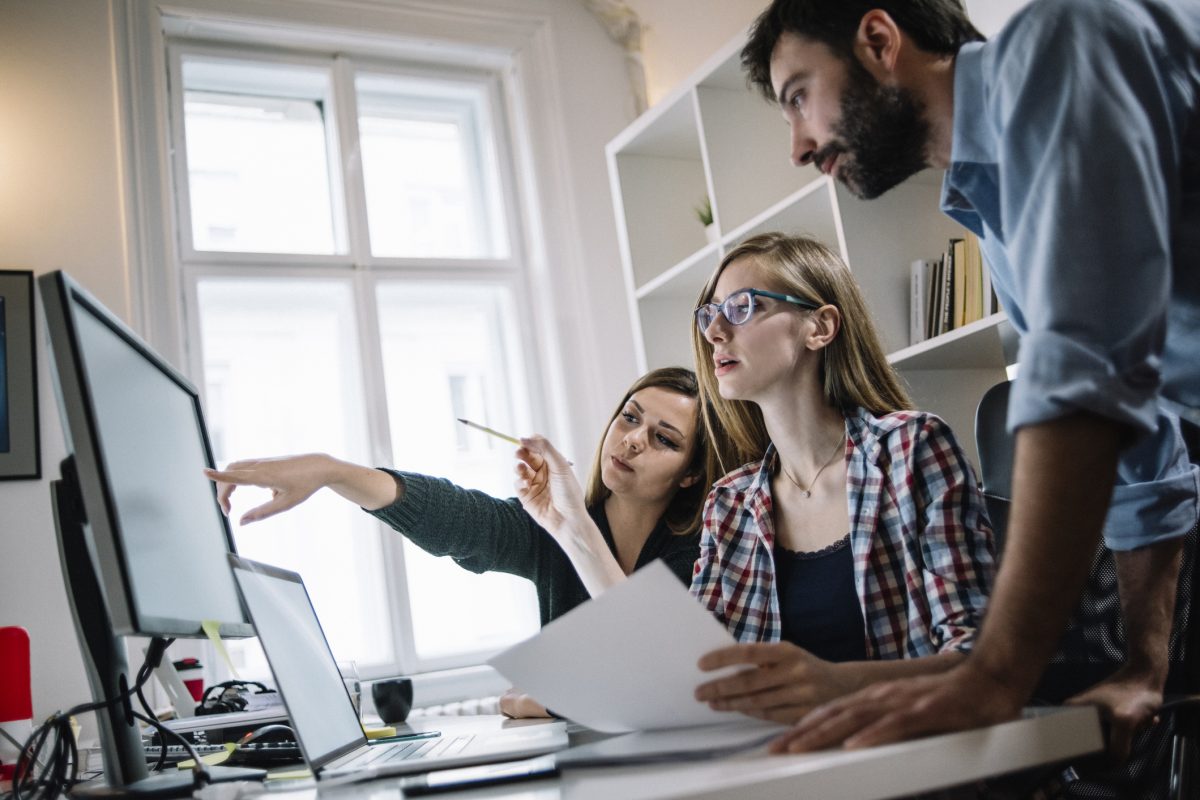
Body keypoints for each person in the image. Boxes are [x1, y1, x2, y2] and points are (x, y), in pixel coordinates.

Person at [736, 0, 1200, 760]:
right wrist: (1143, 667)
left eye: (797, 97)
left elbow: (1084, 379)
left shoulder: (1061, 46)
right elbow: (1140, 442)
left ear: (879, 40)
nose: (798, 145)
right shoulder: (994, 218)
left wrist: (993, 675)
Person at [206, 366, 732, 718]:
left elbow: (667, 683)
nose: (634, 439)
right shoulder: (547, 526)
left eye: (664, 439)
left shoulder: (702, 554)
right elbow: (456, 516)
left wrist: (555, 702)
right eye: (630, 417)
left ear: (690, 474)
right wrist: (331, 471)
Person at [672, 232, 994, 726]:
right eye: (709, 315)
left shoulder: (912, 449)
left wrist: (836, 684)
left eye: (741, 307)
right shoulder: (729, 505)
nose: (714, 331)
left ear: (819, 327)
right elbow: (698, 677)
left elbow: (983, 658)